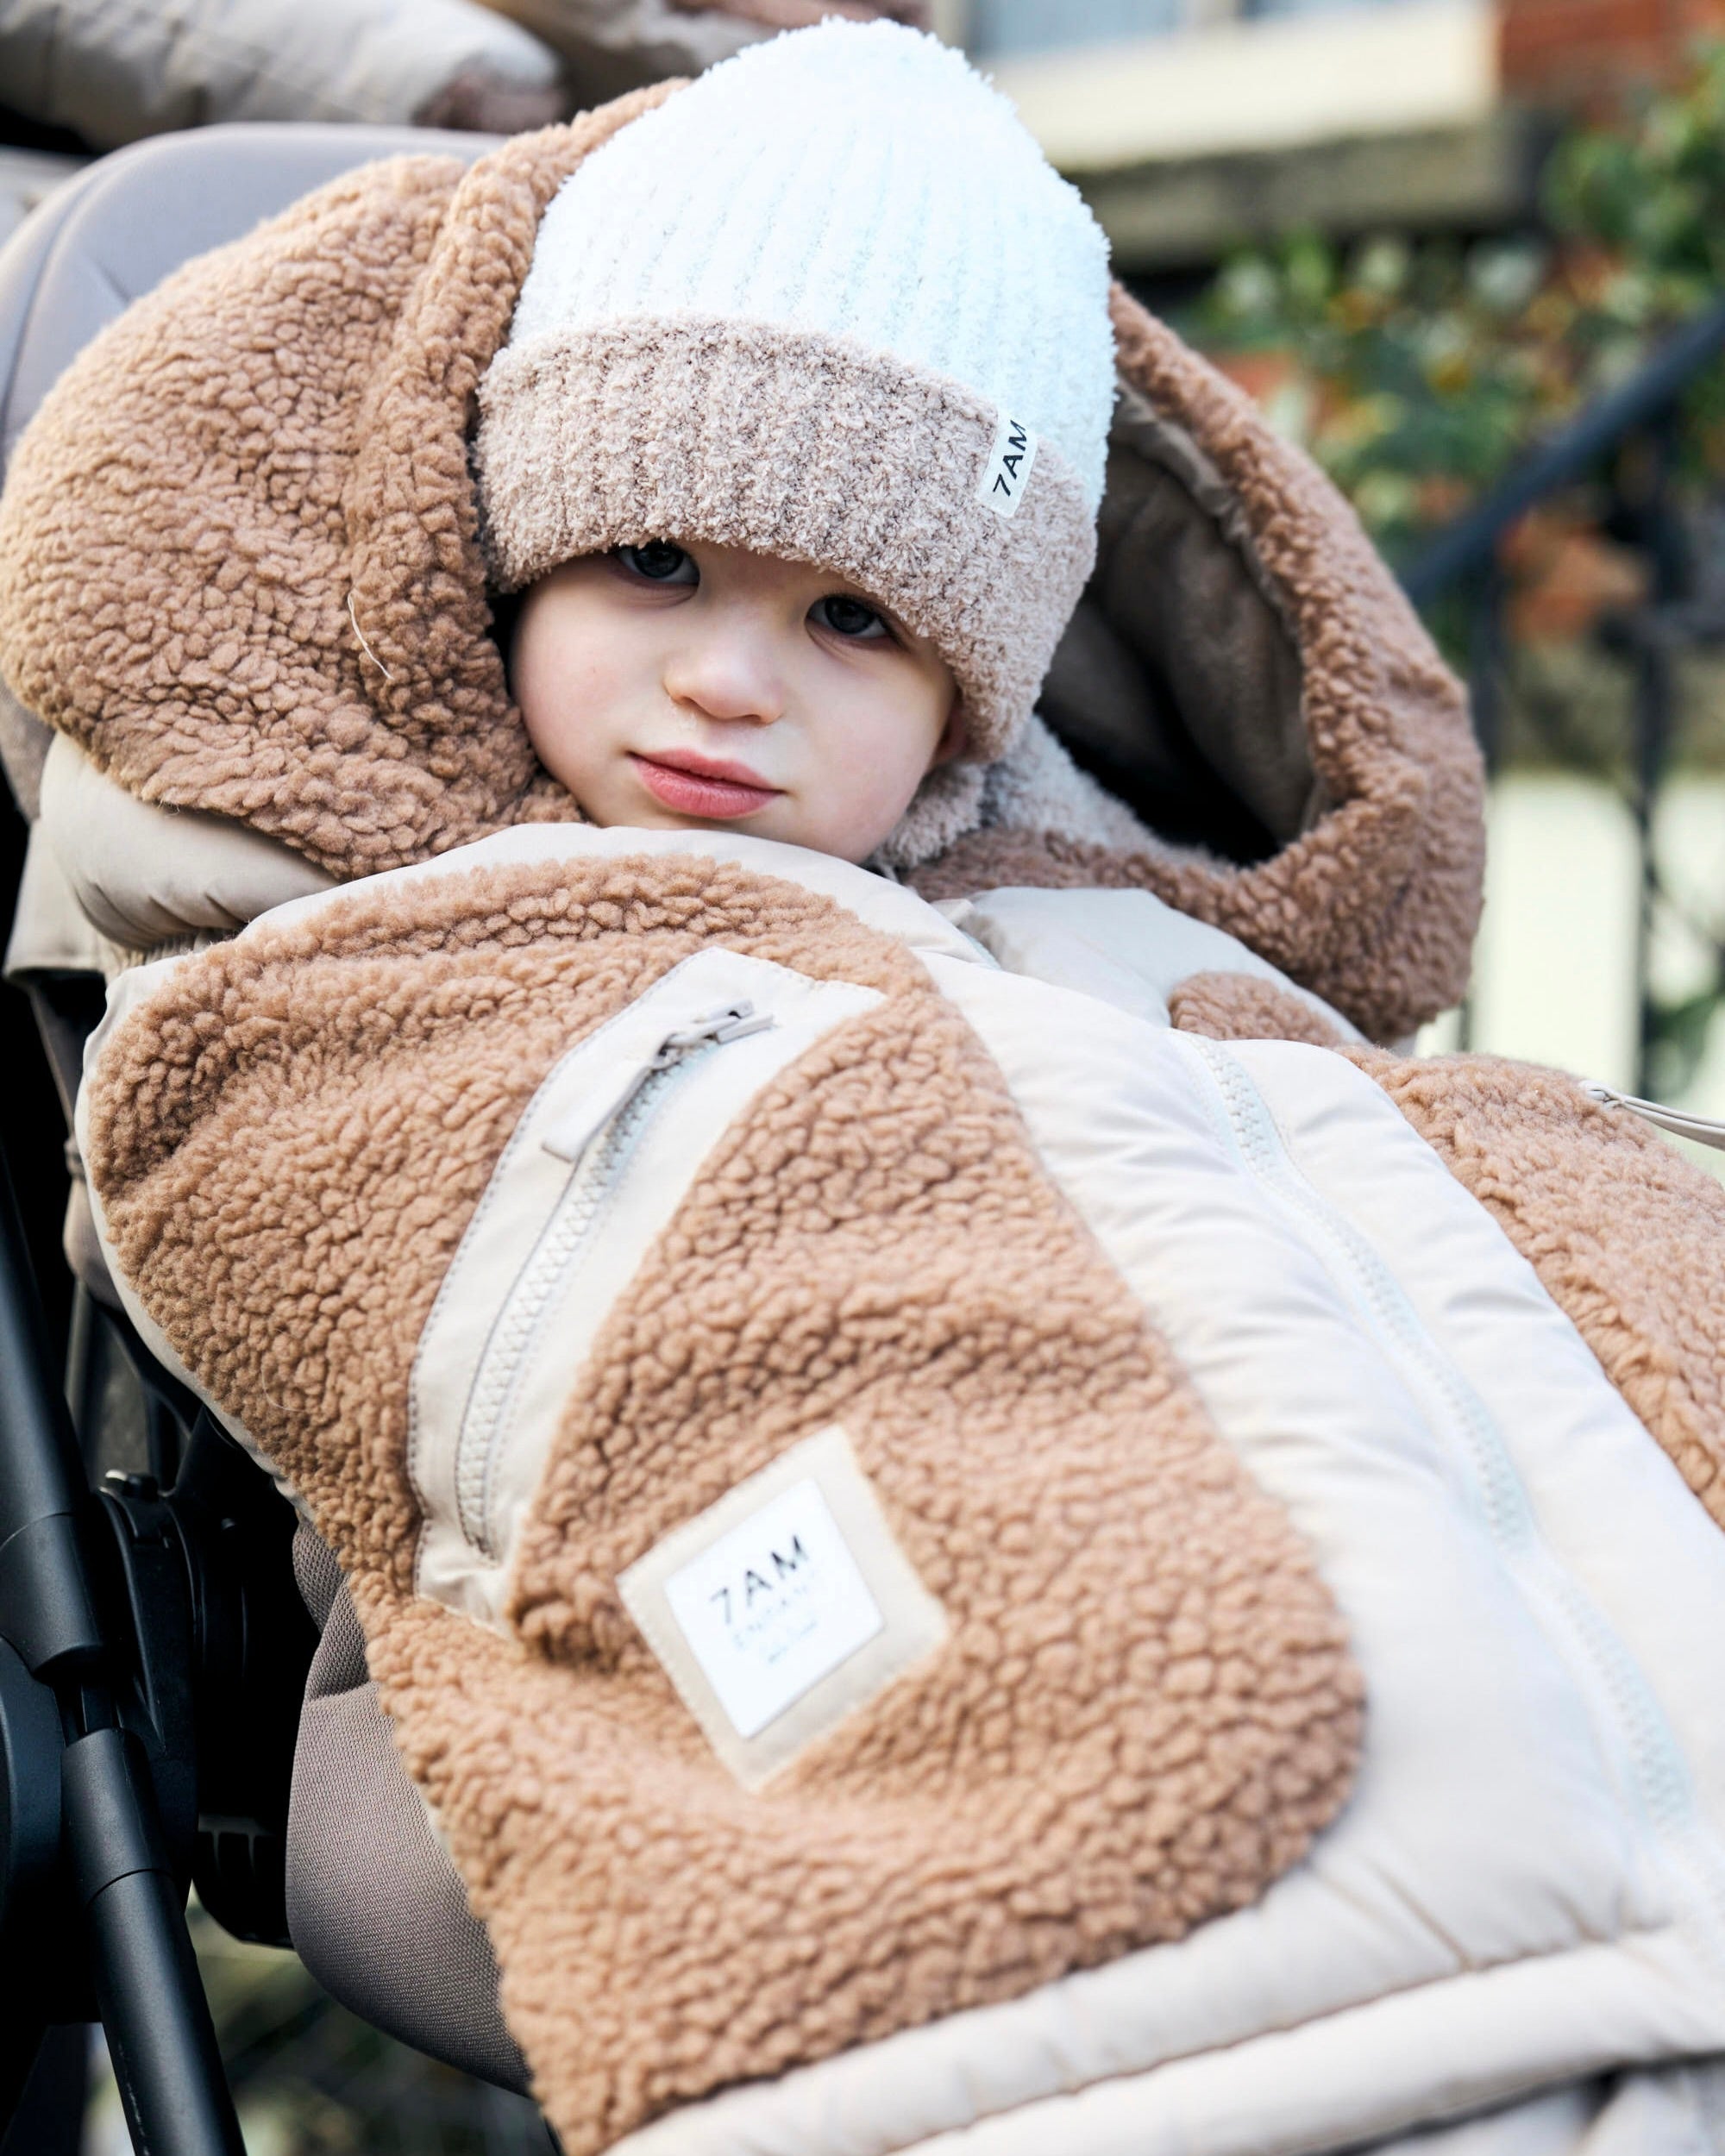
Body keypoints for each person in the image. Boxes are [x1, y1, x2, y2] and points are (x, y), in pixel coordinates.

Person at [9, 23, 1725, 2156]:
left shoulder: (1116, 930)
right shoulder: (391, 946)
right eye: (653, 563)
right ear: (508, 553)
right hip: (968, 1744)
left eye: (848, 616)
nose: (729, 681)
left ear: (967, 697)